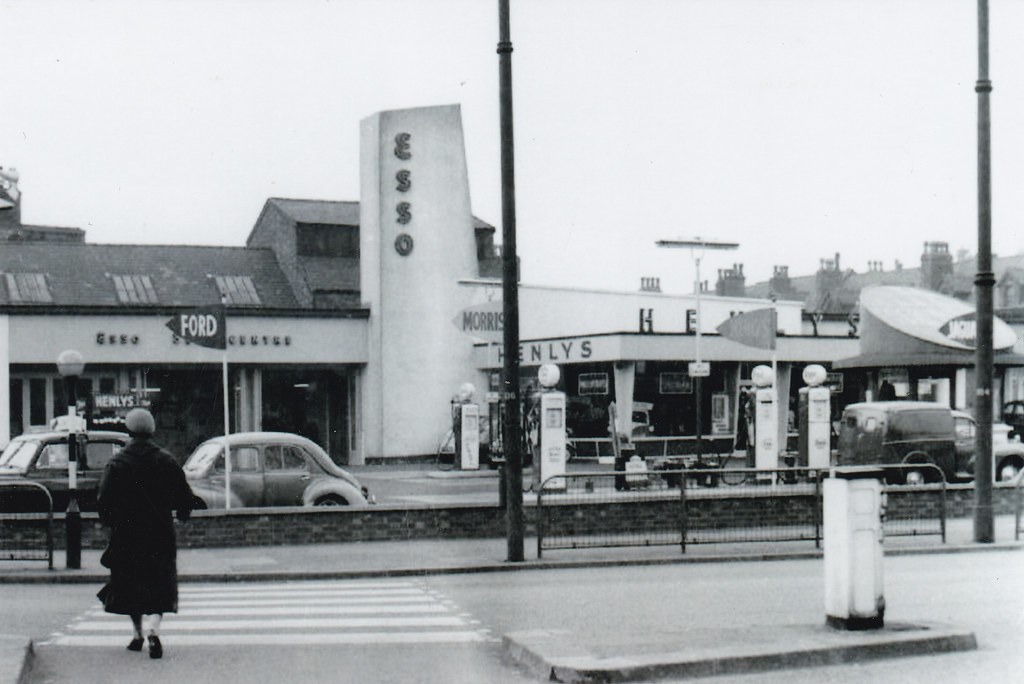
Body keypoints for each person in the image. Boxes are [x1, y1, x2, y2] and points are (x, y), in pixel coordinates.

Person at [96, 408, 195, 659]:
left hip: (126, 535)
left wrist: (109, 521)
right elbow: (184, 496)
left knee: (130, 584)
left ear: (128, 431)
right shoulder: (166, 460)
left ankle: (138, 633)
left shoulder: (117, 463)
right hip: (160, 533)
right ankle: (154, 628)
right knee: (160, 583)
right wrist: (182, 513)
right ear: (152, 431)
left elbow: (104, 500)